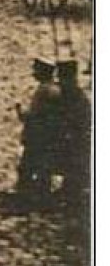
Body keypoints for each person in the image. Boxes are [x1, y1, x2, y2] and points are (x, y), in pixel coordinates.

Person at [13, 58, 60, 207]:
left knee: (27, 167)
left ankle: (27, 197)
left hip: (38, 136)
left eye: (36, 69)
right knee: (42, 168)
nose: (33, 72)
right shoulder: (51, 88)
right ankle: (40, 194)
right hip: (45, 136)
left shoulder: (44, 91)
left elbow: (37, 115)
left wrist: (21, 113)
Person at [54, 60, 90, 208]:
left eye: (62, 77)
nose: (59, 81)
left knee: (74, 163)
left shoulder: (75, 96)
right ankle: (70, 189)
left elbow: (80, 118)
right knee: (70, 164)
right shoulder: (70, 93)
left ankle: (74, 192)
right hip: (72, 135)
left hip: (77, 136)